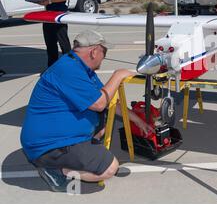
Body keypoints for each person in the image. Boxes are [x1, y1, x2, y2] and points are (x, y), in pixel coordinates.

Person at [20, 30, 153, 192]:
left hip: (52, 137)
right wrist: (118, 76)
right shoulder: (68, 70)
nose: (104, 57)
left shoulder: (78, 66)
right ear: (94, 51)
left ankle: (76, 153)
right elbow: (99, 103)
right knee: (109, 169)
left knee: (103, 123)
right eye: (104, 52)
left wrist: (138, 121)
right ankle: (56, 170)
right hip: (48, 145)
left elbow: (108, 100)